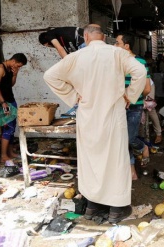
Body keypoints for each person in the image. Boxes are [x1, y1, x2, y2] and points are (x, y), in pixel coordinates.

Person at [43, 24, 146, 224]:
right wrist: (129, 95)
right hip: (113, 117)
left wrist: (73, 96)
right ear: (104, 37)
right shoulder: (117, 53)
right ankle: (116, 209)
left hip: (88, 116)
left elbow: (50, 76)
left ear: (86, 37)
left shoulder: (76, 57)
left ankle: (93, 206)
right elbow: (140, 72)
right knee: (115, 160)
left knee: (91, 162)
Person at [114, 33, 151, 180]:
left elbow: (147, 89)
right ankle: (132, 170)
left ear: (126, 46)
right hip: (118, 106)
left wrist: (129, 97)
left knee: (130, 138)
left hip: (135, 106)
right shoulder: (115, 62)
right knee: (122, 139)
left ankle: (143, 147)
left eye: (117, 43)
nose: (114, 46)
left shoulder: (140, 61)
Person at [39, 27, 86, 118]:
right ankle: (80, 105)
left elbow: (59, 49)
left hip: (83, 41)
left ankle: (80, 106)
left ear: (46, 41)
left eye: (48, 45)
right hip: (86, 40)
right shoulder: (65, 39)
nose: (50, 46)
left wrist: (69, 65)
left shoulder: (49, 34)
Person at [0, 53, 28, 165]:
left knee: (12, 128)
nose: (18, 67)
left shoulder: (10, 69)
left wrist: (15, 75)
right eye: (18, 65)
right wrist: (2, 103)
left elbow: (10, 85)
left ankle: (10, 152)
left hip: (11, 101)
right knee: (7, 128)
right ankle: (3, 155)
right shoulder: (0, 68)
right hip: (5, 103)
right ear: (13, 61)